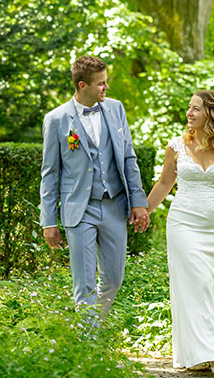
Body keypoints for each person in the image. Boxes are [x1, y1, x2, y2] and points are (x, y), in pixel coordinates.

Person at [145, 89, 214, 374]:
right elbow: (165, 184)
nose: (189, 113)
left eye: (196, 109)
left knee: (210, 287)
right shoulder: (176, 146)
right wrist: (144, 210)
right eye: (189, 108)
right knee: (197, 284)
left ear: (211, 114)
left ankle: (193, 354)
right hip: (183, 224)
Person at [40, 56, 150, 327]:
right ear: (82, 85)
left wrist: (139, 202)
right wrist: (48, 221)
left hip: (114, 204)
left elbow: (128, 158)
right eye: (100, 84)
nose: (106, 88)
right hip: (80, 209)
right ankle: (87, 345)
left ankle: (91, 327)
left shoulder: (116, 109)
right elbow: (50, 173)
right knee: (85, 283)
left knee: (113, 279)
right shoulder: (56, 120)